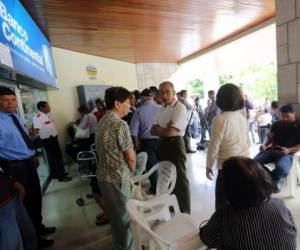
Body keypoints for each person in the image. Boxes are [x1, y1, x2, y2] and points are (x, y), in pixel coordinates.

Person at [200, 156, 297, 250]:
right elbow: (293, 230)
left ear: (230, 187)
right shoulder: (280, 205)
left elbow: (206, 238)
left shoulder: (225, 215)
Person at [0, 86, 55, 248]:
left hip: (28, 164)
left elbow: (23, 138)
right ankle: (34, 239)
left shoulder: (14, 116)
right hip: (14, 168)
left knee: (36, 199)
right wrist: (10, 176)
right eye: (6, 100)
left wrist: (31, 156)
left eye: (13, 99)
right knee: (27, 204)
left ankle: (39, 227)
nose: (11, 103)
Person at [96, 86, 136, 250]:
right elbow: (130, 157)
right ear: (117, 103)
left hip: (104, 177)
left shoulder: (102, 120)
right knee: (124, 218)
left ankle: (120, 245)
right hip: (119, 178)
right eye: (127, 102)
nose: (130, 105)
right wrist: (132, 172)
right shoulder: (120, 124)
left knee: (115, 216)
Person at [206, 83, 250, 209]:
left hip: (228, 167)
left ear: (220, 100)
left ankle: (225, 227)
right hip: (245, 164)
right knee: (241, 200)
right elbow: (248, 141)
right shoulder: (242, 117)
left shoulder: (219, 119)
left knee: (223, 204)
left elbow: (214, 146)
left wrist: (209, 166)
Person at [151, 81, 190, 214]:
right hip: (162, 144)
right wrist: (165, 128)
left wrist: (162, 129)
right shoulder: (161, 108)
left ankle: (185, 210)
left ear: (173, 93)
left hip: (175, 143)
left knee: (179, 178)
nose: (164, 95)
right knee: (166, 175)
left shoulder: (180, 107)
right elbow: (152, 130)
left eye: (167, 92)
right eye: (162, 92)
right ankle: (173, 205)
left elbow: (171, 132)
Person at [254, 104, 300, 193]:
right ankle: (274, 178)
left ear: (294, 113)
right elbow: (269, 138)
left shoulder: (298, 125)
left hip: (287, 153)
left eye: (287, 116)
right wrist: (264, 145)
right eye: (283, 116)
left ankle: (275, 178)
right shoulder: (276, 125)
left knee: (281, 168)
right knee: (254, 163)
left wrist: (289, 150)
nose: (285, 119)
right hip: (272, 150)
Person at [130, 88, 160, 193]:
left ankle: (155, 188)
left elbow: (133, 131)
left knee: (151, 166)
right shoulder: (161, 108)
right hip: (162, 141)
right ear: (152, 97)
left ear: (143, 98)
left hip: (147, 142)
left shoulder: (139, 110)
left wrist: (136, 142)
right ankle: (164, 187)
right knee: (163, 164)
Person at [33, 101, 71, 182]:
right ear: (42, 108)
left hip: (53, 139)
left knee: (55, 157)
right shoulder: (38, 117)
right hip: (48, 140)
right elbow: (36, 129)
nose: (49, 107)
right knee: (55, 158)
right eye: (47, 106)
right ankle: (61, 176)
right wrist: (30, 139)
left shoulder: (47, 115)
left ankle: (56, 174)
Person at [0, 167, 37, 250]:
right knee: (13, 245)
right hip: (2, 209)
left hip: (11, 195)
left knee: (29, 237)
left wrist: (13, 180)